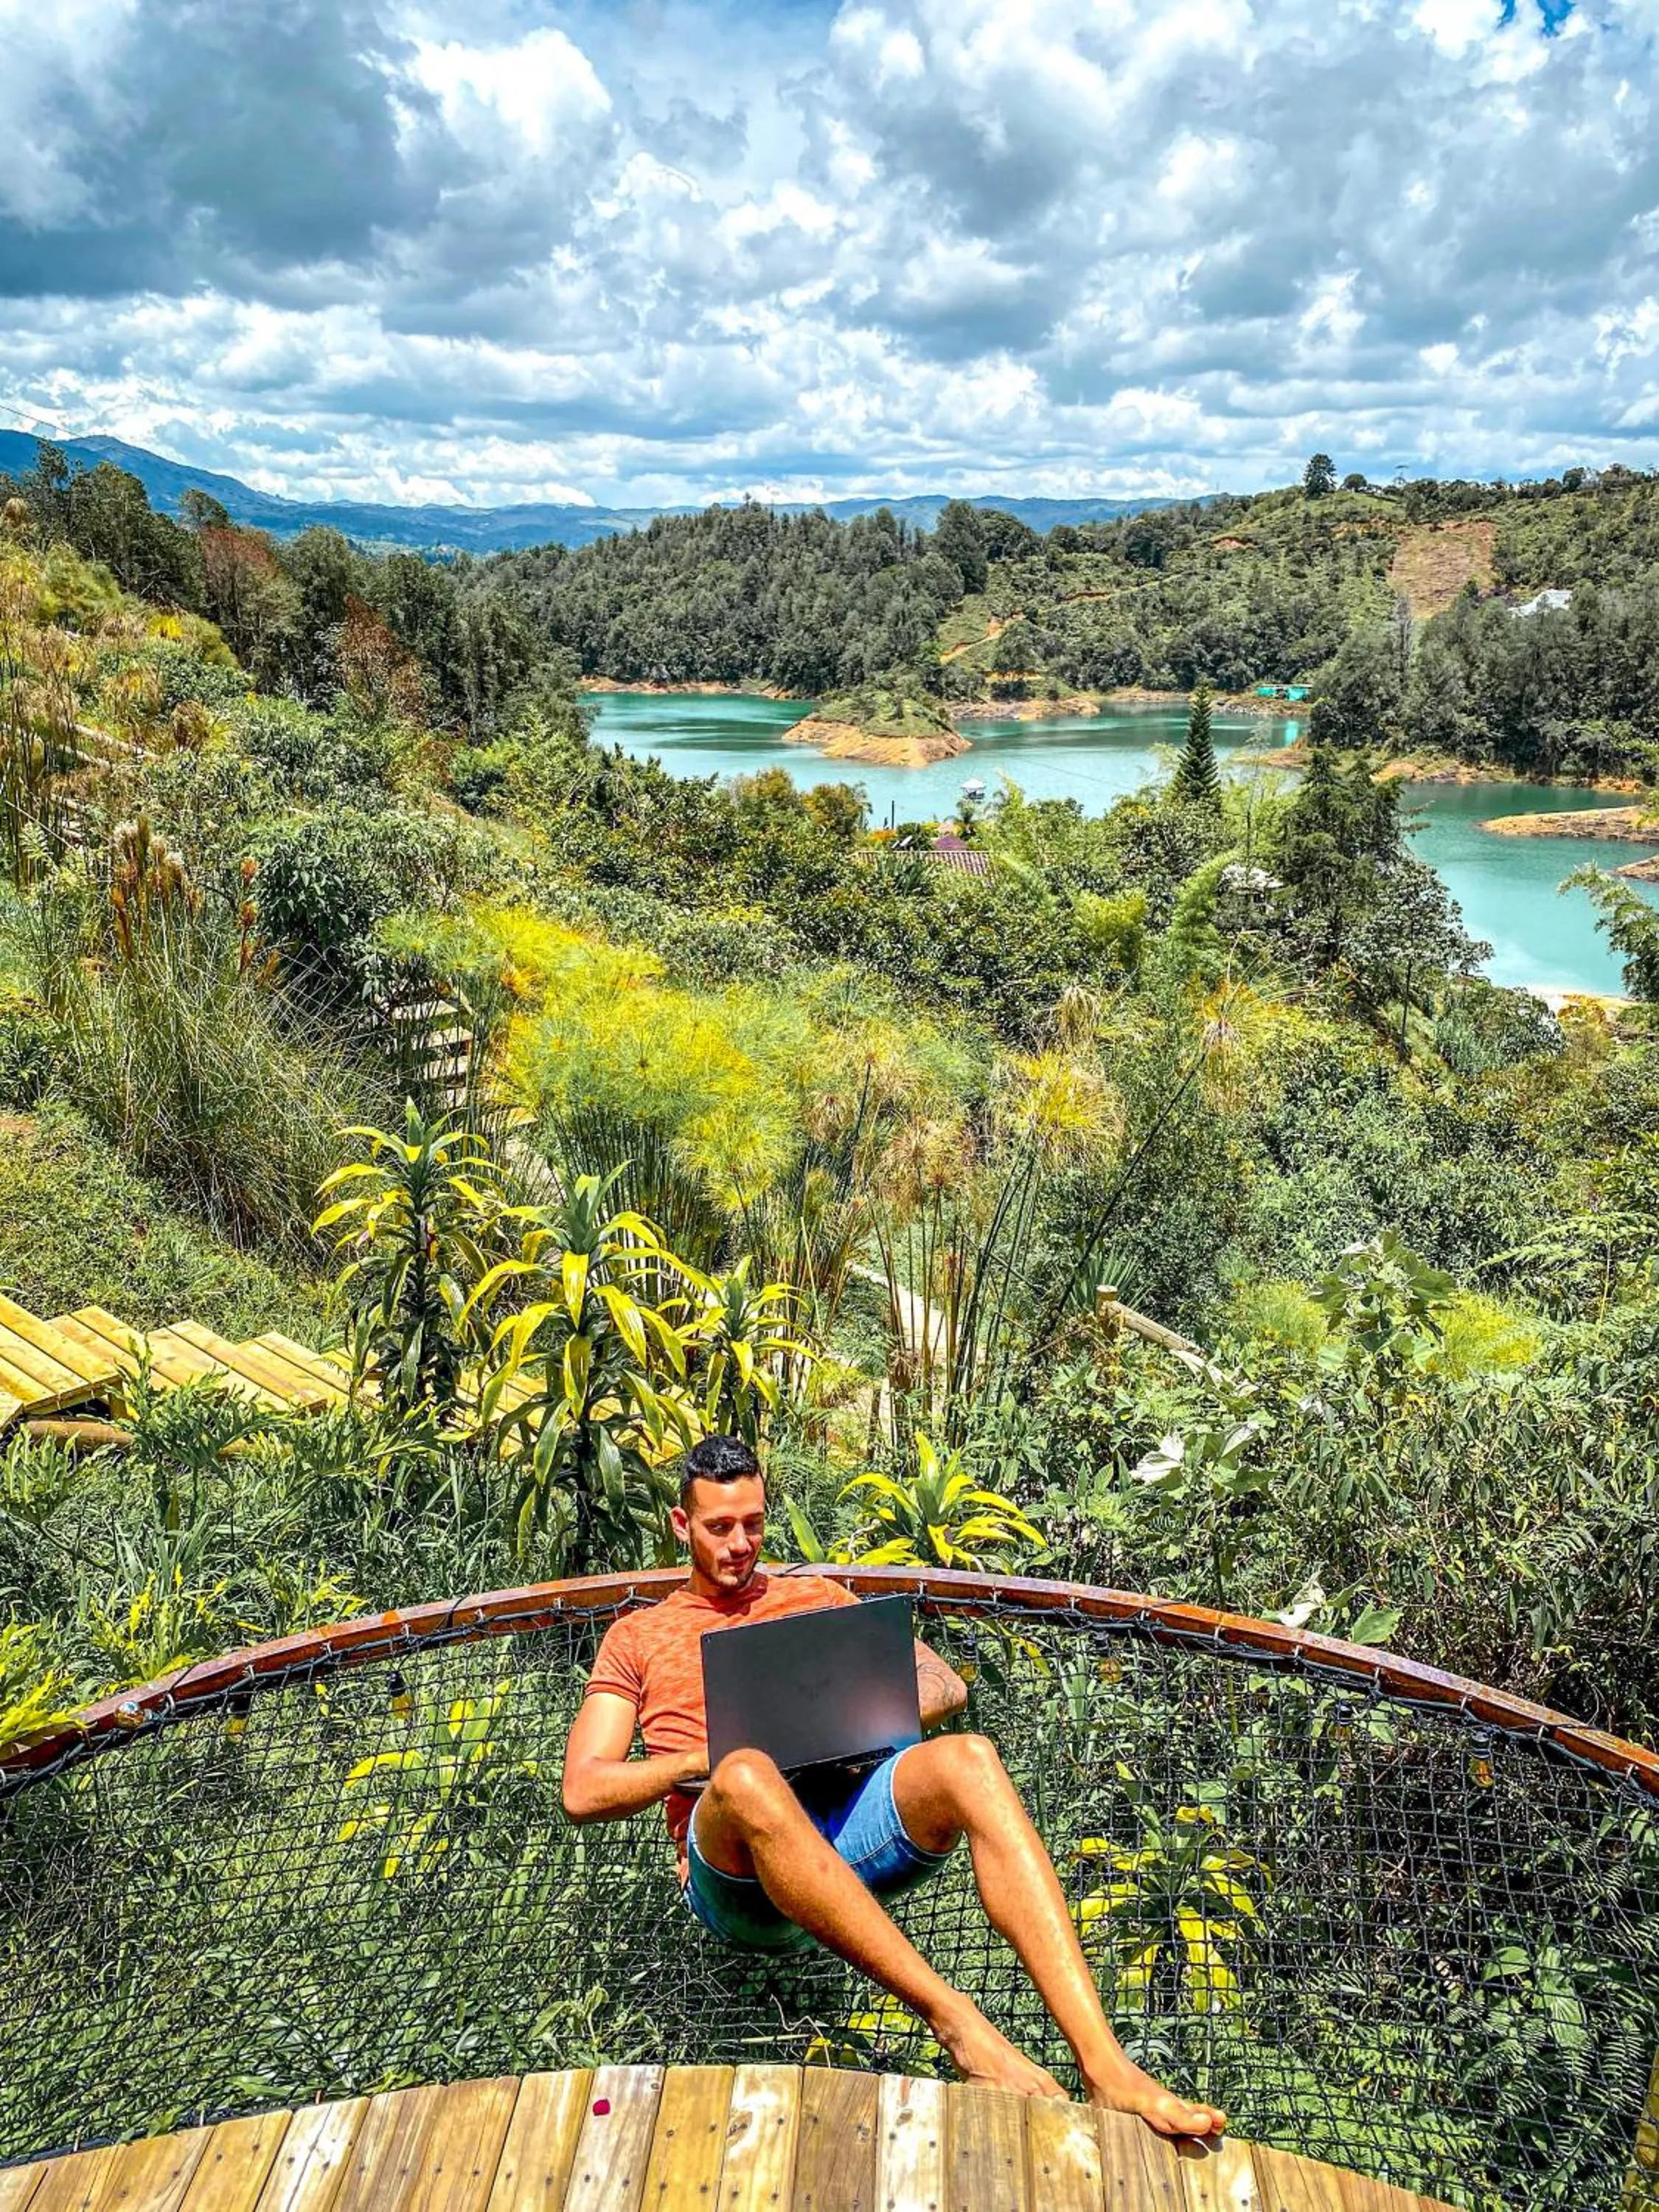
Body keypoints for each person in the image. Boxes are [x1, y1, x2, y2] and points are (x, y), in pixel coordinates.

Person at [561, 1433, 1225, 2138]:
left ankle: (1105, 2066)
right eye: (719, 1527)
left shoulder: (815, 1596)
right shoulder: (639, 1636)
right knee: (747, 1772)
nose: (738, 1544)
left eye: (753, 1525)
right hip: (737, 1871)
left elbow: (944, 1684)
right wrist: (711, 1757)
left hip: (843, 1822)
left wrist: (839, 1725)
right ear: (681, 1524)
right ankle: (962, 2028)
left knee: (969, 1757)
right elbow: (583, 1788)